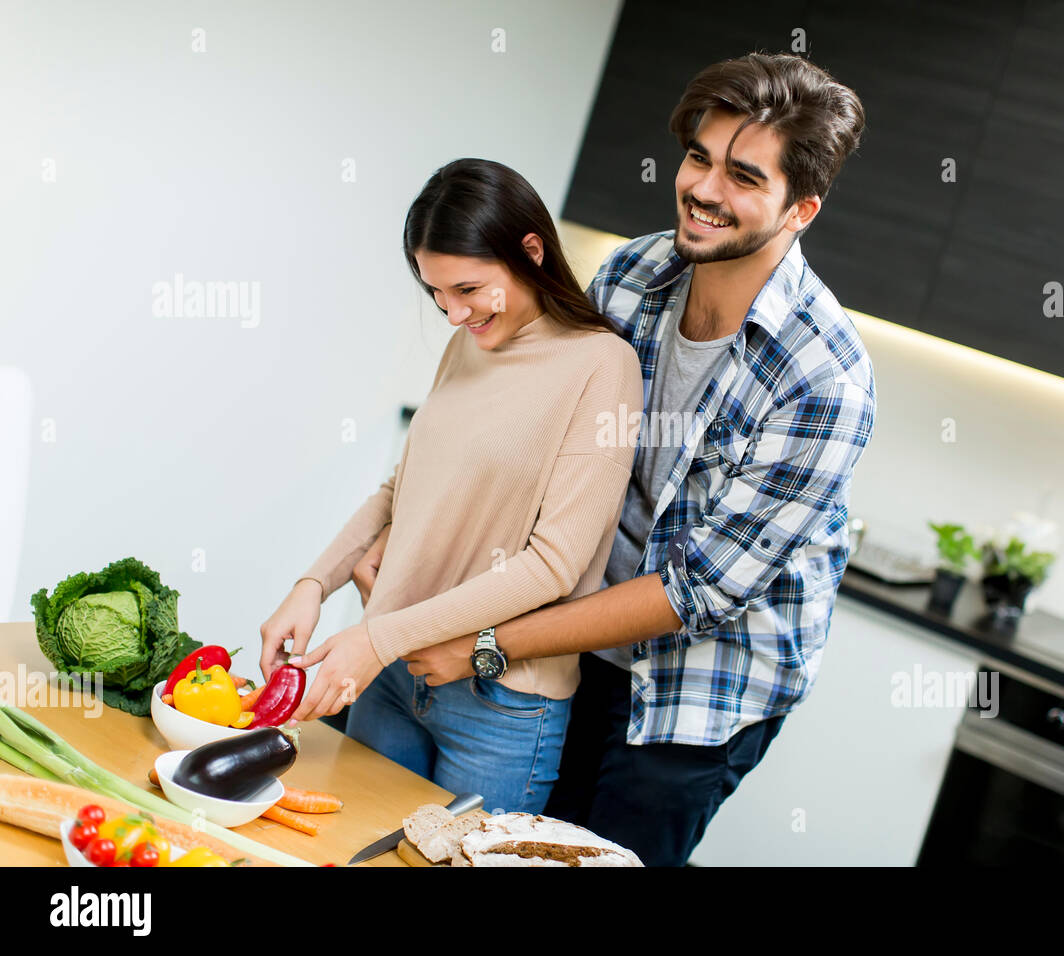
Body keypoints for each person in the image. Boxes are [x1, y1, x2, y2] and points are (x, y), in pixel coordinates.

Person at [362, 51, 875, 865]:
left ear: (800, 208)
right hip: (564, 637)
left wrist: (485, 641)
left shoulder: (824, 379)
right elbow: (534, 435)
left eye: (745, 176)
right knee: (494, 845)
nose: (705, 190)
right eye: (699, 158)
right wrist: (406, 540)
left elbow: (694, 591)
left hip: (698, 688)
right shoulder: (633, 275)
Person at [258, 158, 644, 814]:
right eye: (438, 295)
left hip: (501, 706)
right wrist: (312, 584)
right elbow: (399, 489)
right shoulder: (471, 339)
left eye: (468, 289)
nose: (453, 313)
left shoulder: (602, 367)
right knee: (352, 852)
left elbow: (554, 565)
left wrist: (377, 639)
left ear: (530, 251)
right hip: (393, 677)